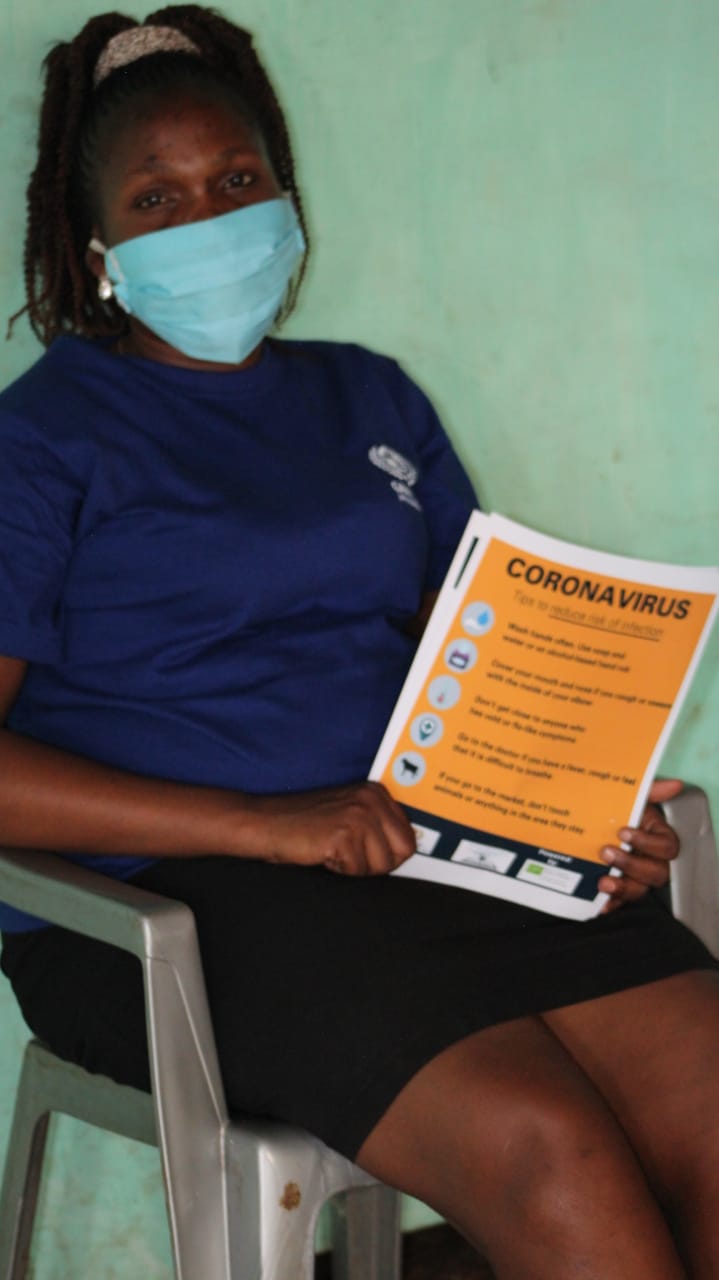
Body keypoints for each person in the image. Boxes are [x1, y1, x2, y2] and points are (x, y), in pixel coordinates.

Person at [1, 7, 718, 1277]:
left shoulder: (369, 395)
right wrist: (263, 823)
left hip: (428, 858)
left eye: (235, 182)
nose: (209, 221)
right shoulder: (47, 434)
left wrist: (580, 807)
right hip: (176, 902)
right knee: (550, 1153)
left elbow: (482, 667)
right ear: (95, 241)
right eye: (157, 199)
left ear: (285, 194)